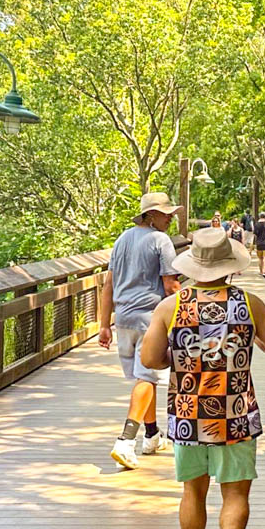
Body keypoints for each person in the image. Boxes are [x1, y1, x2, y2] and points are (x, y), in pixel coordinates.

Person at [141, 227, 265, 529]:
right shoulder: (249, 303)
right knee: (235, 494)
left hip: (188, 412)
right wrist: (249, 339)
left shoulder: (170, 307)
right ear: (230, 266)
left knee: (193, 492)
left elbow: (150, 359)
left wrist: (180, 357)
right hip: (235, 411)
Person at [100, 192, 182, 470]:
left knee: (144, 377)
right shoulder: (161, 240)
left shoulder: (122, 239)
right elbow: (171, 286)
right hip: (150, 319)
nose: (170, 218)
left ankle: (152, 436)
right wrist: (189, 311)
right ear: (151, 215)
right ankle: (125, 441)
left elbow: (109, 284)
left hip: (123, 319)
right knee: (147, 377)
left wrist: (104, 324)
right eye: (166, 213)